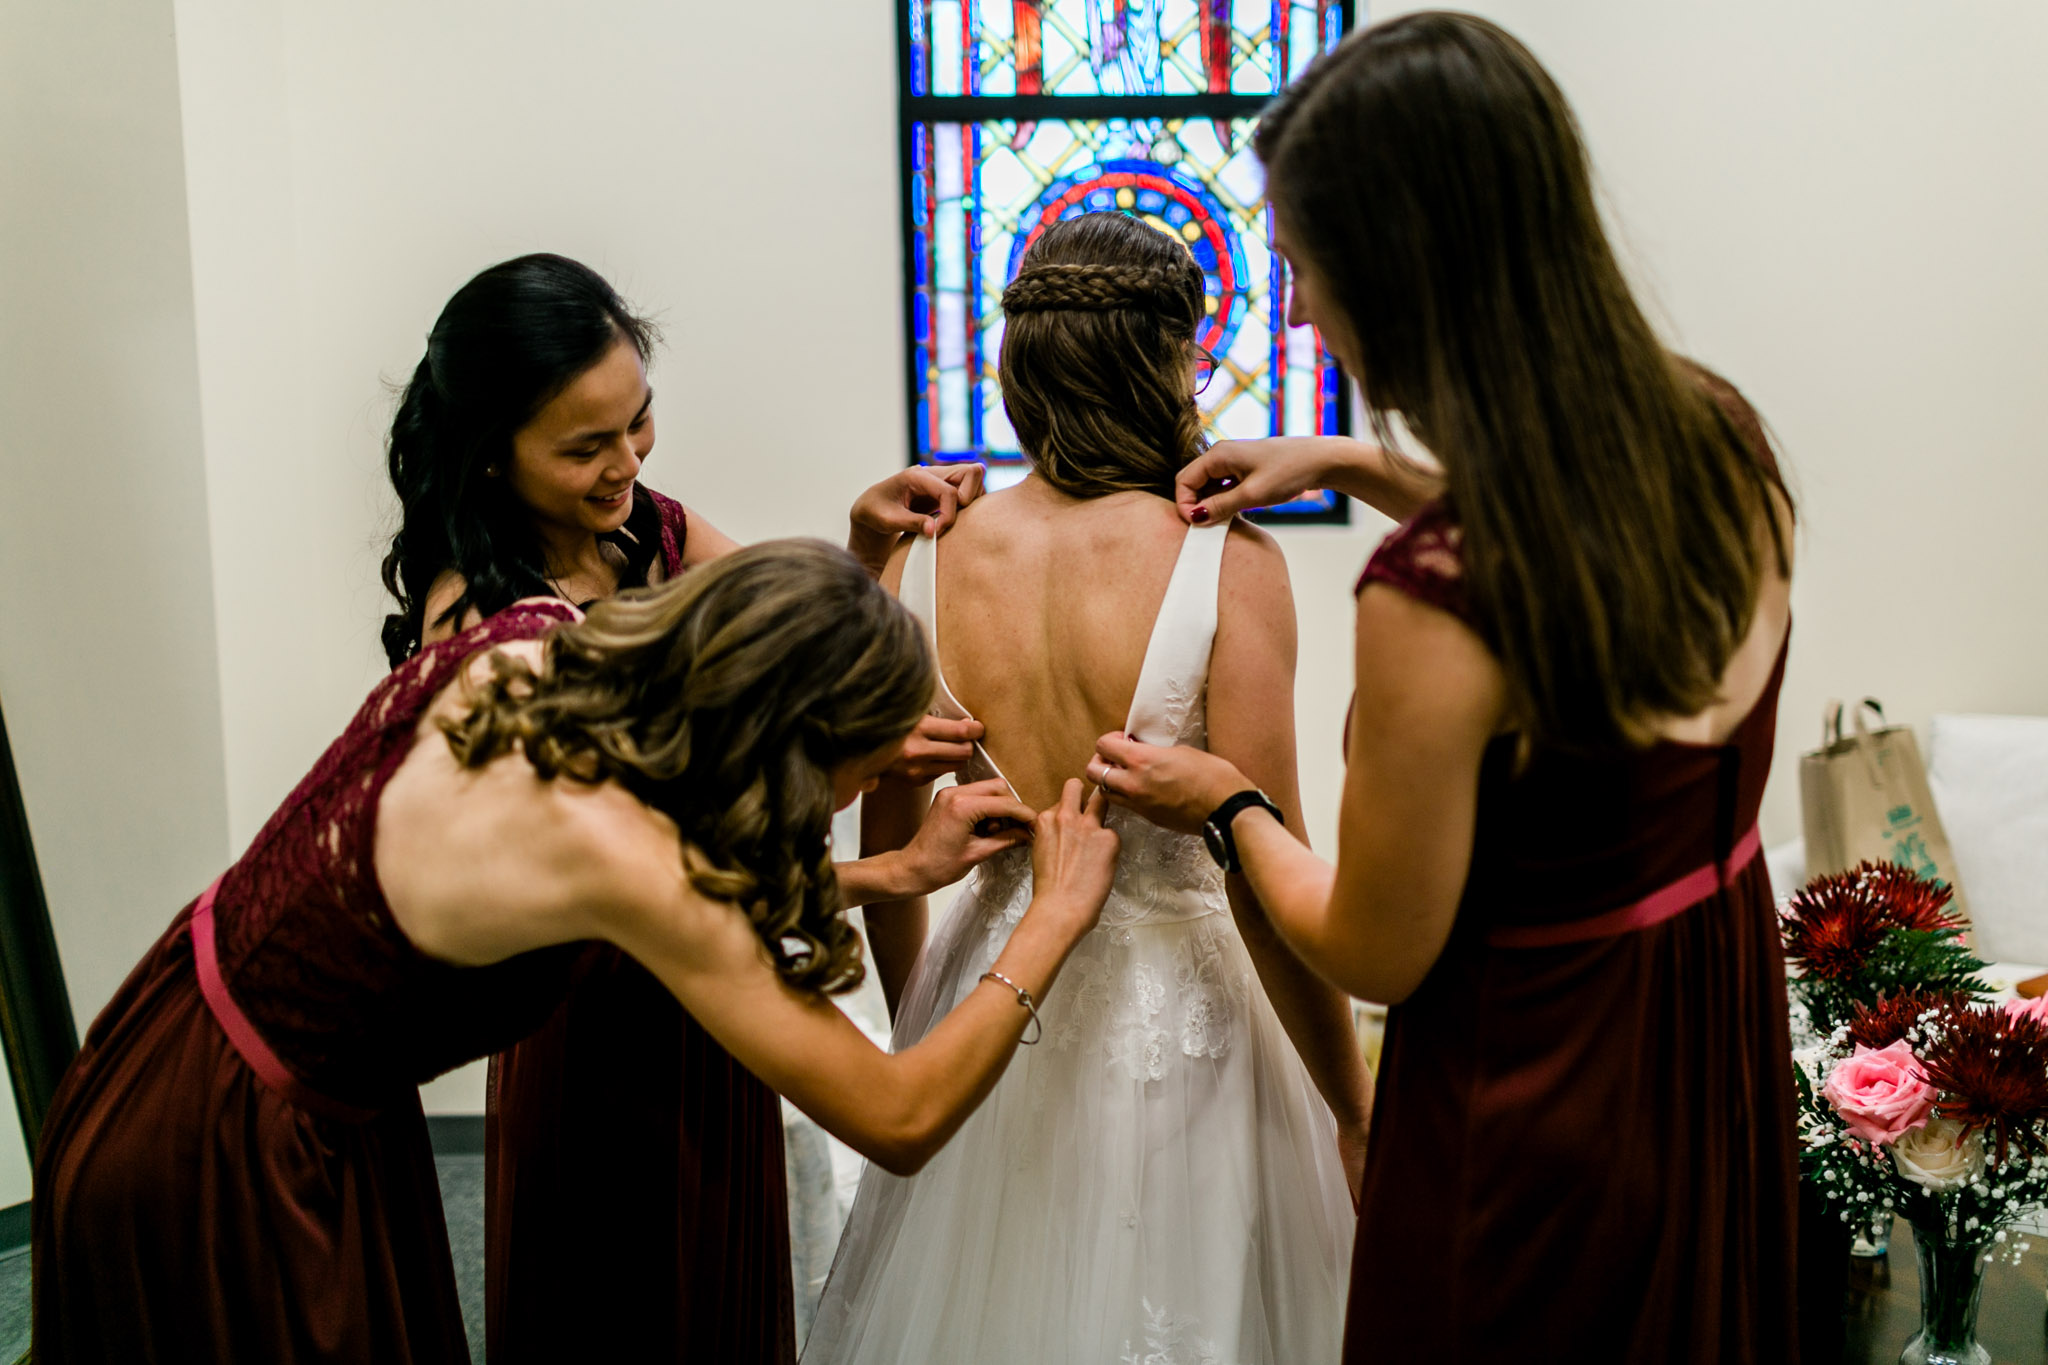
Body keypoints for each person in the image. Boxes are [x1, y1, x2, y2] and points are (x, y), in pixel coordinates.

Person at [1089, 13, 1800, 1362]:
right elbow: (1577, 550)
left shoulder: (1434, 600)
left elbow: (1375, 946)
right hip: (1703, 1027)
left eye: (1304, 263)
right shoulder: (1715, 438)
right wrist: (1349, 462)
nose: (1295, 305)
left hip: (1535, 1092)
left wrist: (1233, 802)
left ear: (1407, 272)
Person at [33, 541, 1121, 1364]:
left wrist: (886, 874)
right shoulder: (625, 858)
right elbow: (896, 1116)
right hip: (224, 1152)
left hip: (179, 1030)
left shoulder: (539, 640)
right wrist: (1051, 918)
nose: (856, 796)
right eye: (861, 767)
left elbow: (555, 876)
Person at [375, 253, 1026, 1361]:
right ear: (490, 452)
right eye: (584, 447)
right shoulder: (493, 637)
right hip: (599, 1016)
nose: (624, 461)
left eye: (638, 422)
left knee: (718, 1300)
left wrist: (865, 546)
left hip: (714, 994)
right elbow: (641, 884)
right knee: (624, 1309)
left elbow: (795, 652)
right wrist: (898, 872)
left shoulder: (645, 530)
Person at [804, 212, 1369, 1365]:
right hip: (1196, 1014)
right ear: (1172, 359)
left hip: (988, 986)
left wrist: (930, 1025)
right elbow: (1265, 861)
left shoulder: (932, 552)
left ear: (1022, 363)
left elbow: (899, 834)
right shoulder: (1227, 562)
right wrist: (1354, 1115)